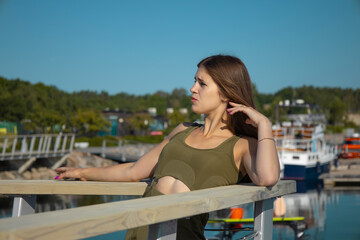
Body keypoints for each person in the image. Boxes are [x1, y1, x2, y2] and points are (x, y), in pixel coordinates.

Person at [55, 54, 280, 240]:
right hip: (138, 232)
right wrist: (82, 172)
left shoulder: (241, 146)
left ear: (225, 92)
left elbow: (268, 177)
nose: (192, 89)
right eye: (194, 81)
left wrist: (264, 124)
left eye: (201, 83)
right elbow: (133, 171)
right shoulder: (183, 130)